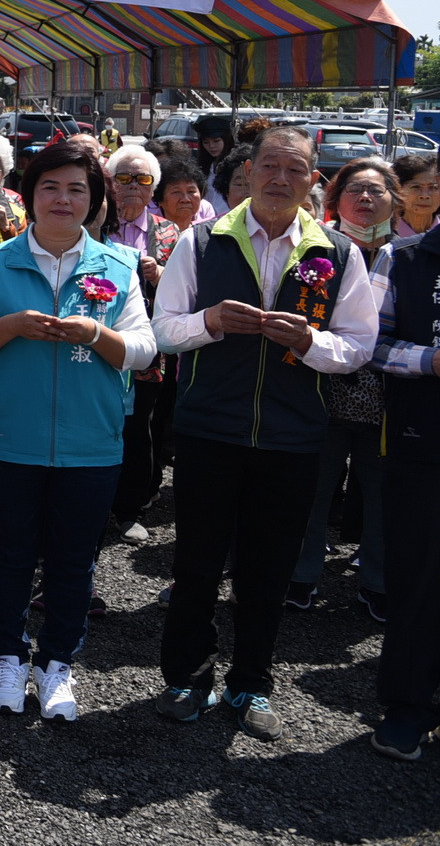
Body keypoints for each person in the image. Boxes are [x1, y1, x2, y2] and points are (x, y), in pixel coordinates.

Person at [151, 125, 380, 739]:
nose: (281, 179)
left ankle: (251, 682)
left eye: (295, 169)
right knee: (197, 563)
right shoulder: (203, 241)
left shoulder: (338, 253)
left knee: (268, 569)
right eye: (269, 166)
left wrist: (310, 342)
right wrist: (209, 321)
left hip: (292, 435)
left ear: (313, 180)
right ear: (248, 173)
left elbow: (358, 346)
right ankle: (185, 677)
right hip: (209, 428)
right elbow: (164, 328)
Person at [0, 140, 156, 720]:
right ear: (30, 195)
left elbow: (143, 349)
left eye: (76, 190)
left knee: (73, 562)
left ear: (94, 201)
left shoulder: (118, 267)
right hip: (9, 438)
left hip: (91, 443)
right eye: (50, 187)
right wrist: (11, 325)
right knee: (10, 555)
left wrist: (97, 334)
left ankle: (58, 663)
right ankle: (9, 657)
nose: (63, 199)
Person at [289, 157, 396, 620]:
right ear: (336, 198)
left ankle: (377, 581)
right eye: (355, 190)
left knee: (382, 495)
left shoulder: (408, 254)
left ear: (394, 199)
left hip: (388, 401)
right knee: (313, 490)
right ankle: (301, 575)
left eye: (376, 190)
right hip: (322, 393)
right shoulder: (316, 247)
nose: (365, 198)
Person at [369, 216, 440, 759]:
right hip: (422, 443)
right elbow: (371, 343)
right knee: (417, 578)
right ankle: (407, 706)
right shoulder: (403, 257)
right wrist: (430, 360)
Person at [101, 145, 181, 542]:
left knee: (140, 426)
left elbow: (184, 289)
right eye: (124, 178)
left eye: (143, 179)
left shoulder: (168, 232)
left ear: (153, 188)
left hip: (148, 343)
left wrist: (159, 273)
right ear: (111, 184)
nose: (134, 186)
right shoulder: (97, 223)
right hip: (100, 338)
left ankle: (130, 508)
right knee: (100, 418)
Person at [394, 153, 440, 238]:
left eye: (433, 187)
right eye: (416, 187)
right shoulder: (383, 238)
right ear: (398, 190)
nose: (425, 195)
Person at [155, 158, 209, 231]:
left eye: (191, 191)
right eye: (176, 192)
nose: (185, 199)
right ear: (160, 199)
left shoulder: (207, 233)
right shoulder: (150, 234)